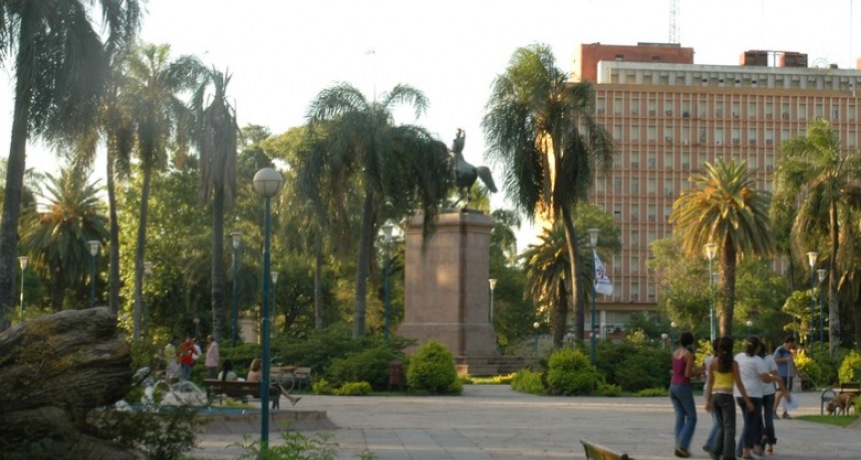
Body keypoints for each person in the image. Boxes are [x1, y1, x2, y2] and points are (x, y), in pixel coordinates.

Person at [705, 337, 754, 460]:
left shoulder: (713, 362)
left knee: (722, 426)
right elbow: (739, 383)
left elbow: (710, 382)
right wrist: (748, 401)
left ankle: (715, 451)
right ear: (731, 348)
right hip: (726, 396)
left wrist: (708, 400)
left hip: (715, 396)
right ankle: (728, 456)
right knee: (729, 428)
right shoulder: (733, 363)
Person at [734, 335, 773, 460]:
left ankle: (756, 448)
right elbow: (765, 379)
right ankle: (745, 452)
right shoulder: (757, 360)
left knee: (752, 422)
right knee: (750, 424)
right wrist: (774, 378)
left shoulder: (738, 357)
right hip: (753, 395)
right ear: (757, 348)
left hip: (739, 394)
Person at [670, 331, 701, 458]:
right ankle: (682, 445)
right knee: (692, 417)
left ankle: (679, 446)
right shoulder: (688, 355)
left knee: (680, 416)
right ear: (691, 342)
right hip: (683, 386)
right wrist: (699, 373)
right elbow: (688, 373)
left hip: (673, 386)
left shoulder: (675, 353)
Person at [758, 341, 791, 455]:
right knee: (769, 419)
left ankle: (762, 437)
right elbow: (778, 377)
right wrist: (784, 392)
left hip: (757, 393)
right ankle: (770, 446)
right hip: (769, 392)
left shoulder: (753, 359)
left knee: (757, 418)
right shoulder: (769, 359)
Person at [702, 339, 720, 454]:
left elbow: (703, 370)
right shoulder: (720, 360)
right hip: (715, 390)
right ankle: (710, 443)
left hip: (707, 389)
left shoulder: (708, 359)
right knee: (719, 421)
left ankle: (715, 444)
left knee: (716, 420)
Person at [773, 336, 797, 419]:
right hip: (781, 374)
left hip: (789, 375)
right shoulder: (780, 350)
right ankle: (773, 411)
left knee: (786, 393)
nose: (793, 345)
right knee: (780, 392)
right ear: (789, 342)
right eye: (793, 343)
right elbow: (775, 360)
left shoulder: (789, 351)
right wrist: (785, 359)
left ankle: (785, 412)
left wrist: (798, 373)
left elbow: (792, 363)